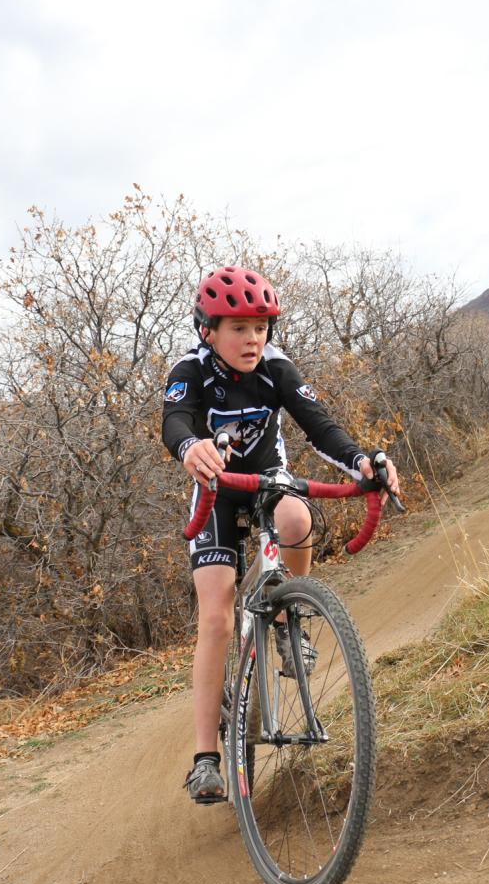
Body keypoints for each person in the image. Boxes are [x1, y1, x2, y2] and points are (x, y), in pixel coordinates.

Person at [162, 265, 401, 802]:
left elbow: (319, 426)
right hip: (218, 490)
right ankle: (205, 758)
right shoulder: (191, 370)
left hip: (269, 477)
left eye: (261, 327)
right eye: (239, 328)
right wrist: (188, 447)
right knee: (217, 618)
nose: (253, 339)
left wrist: (363, 461)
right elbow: (174, 420)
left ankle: (292, 616)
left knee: (295, 520)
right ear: (208, 330)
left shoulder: (276, 368)